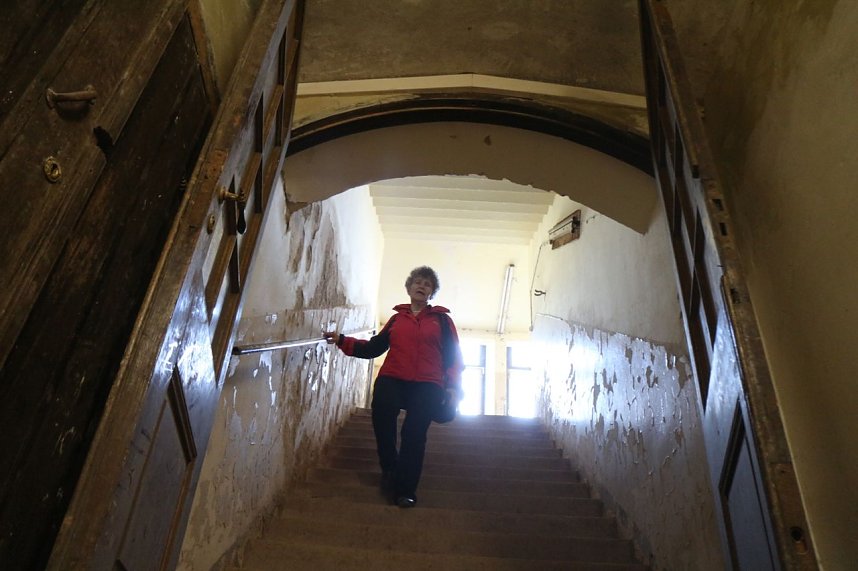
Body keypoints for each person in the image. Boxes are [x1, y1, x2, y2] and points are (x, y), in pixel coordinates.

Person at [324, 266, 464, 508]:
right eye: (417, 282)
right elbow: (374, 347)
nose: (422, 286)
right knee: (381, 415)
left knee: (414, 434)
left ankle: (405, 490)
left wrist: (452, 387)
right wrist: (342, 341)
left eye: (428, 284)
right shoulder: (397, 319)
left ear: (432, 293)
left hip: (428, 384)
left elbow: (454, 357)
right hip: (393, 377)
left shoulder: (442, 320)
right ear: (409, 288)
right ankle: (390, 467)